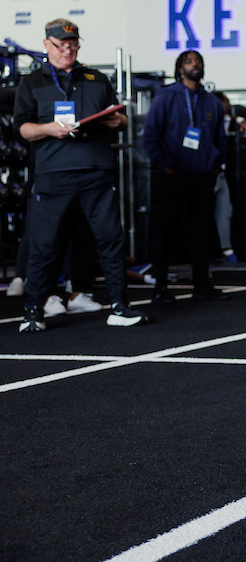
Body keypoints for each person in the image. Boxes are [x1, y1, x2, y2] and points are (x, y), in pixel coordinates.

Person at [14, 19, 146, 331]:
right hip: (53, 174)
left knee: (111, 240)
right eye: (61, 45)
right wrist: (50, 129)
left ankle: (120, 307)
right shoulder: (31, 82)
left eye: (73, 44)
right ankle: (33, 313)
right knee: (44, 244)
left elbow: (121, 119)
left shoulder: (96, 78)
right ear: (47, 45)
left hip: (96, 173)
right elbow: (24, 129)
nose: (68, 50)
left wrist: (116, 121)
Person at [142, 50, 228, 304]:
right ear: (180, 69)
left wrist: (215, 165)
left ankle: (201, 286)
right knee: (165, 231)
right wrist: (162, 165)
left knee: (201, 232)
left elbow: (221, 139)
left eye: (198, 61)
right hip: (173, 173)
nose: (195, 65)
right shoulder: (166, 96)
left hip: (203, 175)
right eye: (189, 62)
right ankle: (160, 287)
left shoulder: (212, 101)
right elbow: (150, 134)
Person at [212, 91, 246, 262]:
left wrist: (240, 119)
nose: (229, 105)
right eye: (226, 102)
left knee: (225, 210)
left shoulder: (227, 120)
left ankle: (225, 248)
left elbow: (233, 118)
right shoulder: (206, 119)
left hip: (221, 173)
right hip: (206, 172)